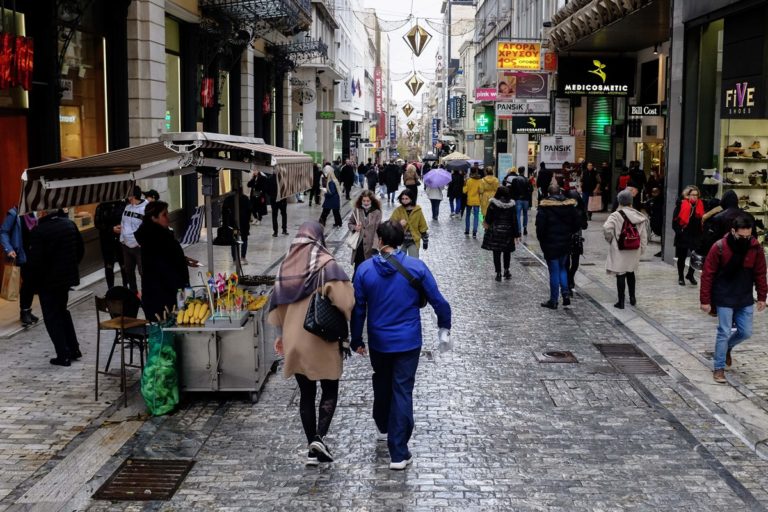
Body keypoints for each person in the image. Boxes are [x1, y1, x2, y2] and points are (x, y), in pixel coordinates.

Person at [350, 220, 451, 470]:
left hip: (379, 340)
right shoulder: (416, 267)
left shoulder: (364, 270)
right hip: (408, 341)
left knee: (382, 382)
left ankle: (383, 424)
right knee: (402, 390)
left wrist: (356, 339)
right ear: (400, 240)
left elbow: (358, 308)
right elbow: (439, 302)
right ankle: (399, 451)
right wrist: (444, 328)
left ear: (381, 241)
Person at [268, 222, 354, 465]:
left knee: (306, 394)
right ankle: (319, 437)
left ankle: (311, 448)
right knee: (329, 389)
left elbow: (276, 307)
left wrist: (280, 336)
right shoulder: (327, 265)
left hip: (295, 341)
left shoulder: (286, 267)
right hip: (321, 339)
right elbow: (346, 302)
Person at [700, 215, 766, 384]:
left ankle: (727, 348)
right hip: (723, 295)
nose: (745, 239)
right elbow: (708, 274)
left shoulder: (755, 247)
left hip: (744, 295)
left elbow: (760, 273)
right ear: (733, 231)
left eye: (748, 236)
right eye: (741, 236)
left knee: (745, 332)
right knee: (724, 331)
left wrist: (762, 297)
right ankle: (719, 368)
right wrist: (705, 300)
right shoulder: (720, 247)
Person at [27, 209, 84, 366]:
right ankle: (74, 348)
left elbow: (35, 261)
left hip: (48, 282)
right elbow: (80, 250)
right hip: (65, 280)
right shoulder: (69, 224)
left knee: (52, 317)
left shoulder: (40, 231)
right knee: (63, 312)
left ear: (44, 212)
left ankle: (63, 353)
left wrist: (32, 282)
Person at [134, 201, 190, 322]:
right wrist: (180, 287)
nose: (168, 218)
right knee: (165, 332)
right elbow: (162, 266)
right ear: (154, 218)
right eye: (164, 215)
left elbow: (167, 258)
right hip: (162, 295)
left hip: (164, 292)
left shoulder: (158, 234)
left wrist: (183, 260)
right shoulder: (154, 238)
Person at [536, 184, 581, 309]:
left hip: (550, 243)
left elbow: (540, 227)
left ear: (549, 194)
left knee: (554, 271)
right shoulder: (569, 206)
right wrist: (569, 232)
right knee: (562, 268)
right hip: (565, 241)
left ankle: (554, 300)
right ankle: (565, 294)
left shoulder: (544, 208)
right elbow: (577, 223)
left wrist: (542, 240)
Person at [603, 190, 648, 309]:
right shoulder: (639, 216)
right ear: (631, 201)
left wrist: (611, 240)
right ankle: (632, 298)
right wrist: (641, 249)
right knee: (631, 272)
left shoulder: (616, 215)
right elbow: (644, 235)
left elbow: (607, 228)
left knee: (620, 273)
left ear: (619, 201)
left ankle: (621, 301)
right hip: (634, 248)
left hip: (619, 248)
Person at [0, 207, 39, 325]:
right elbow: (3, 231)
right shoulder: (14, 214)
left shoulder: (36, 213)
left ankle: (27, 309)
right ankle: (24, 311)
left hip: (35, 253)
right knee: (28, 282)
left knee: (32, 283)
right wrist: (9, 249)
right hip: (22, 254)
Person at [481, 186, 520, 281]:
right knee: (507, 252)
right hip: (508, 231)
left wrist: (487, 226)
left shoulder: (493, 204)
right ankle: (506, 270)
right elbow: (514, 220)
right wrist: (517, 234)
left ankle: (498, 273)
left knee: (496, 252)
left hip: (496, 230)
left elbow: (488, 218)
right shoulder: (512, 205)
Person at [115, 186, 147, 292]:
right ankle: (134, 294)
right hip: (126, 245)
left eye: (128, 193)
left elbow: (147, 227)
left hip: (139, 247)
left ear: (133, 195)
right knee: (129, 271)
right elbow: (123, 223)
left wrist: (141, 242)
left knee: (143, 272)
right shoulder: (127, 207)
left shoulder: (145, 208)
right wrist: (122, 238)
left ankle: (145, 293)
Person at [673, 185, 704, 286]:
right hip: (683, 234)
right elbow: (675, 222)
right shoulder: (681, 205)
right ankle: (681, 277)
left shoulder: (700, 205)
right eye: (692, 195)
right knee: (681, 257)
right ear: (687, 195)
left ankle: (690, 274)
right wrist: (680, 232)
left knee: (696, 256)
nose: (695, 197)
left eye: (696, 195)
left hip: (696, 234)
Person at [94, 200, 127, 290]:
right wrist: (111, 229)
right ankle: (110, 289)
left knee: (124, 264)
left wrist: (123, 227)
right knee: (109, 265)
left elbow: (128, 220)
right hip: (107, 240)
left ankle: (126, 287)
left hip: (122, 239)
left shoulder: (122, 205)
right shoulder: (101, 207)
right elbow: (97, 223)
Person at [349, 190, 383, 273]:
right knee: (358, 267)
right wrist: (355, 227)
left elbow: (377, 230)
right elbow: (350, 223)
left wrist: (375, 246)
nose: (366, 203)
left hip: (371, 245)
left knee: (370, 268)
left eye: (368, 201)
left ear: (372, 201)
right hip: (359, 245)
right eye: (364, 201)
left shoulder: (377, 212)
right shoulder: (357, 210)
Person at [390, 188, 428, 258]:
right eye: (402, 198)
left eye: (406, 199)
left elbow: (422, 226)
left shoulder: (418, 211)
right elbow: (390, 223)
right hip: (401, 241)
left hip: (413, 240)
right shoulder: (398, 210)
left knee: (414, 260)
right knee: (399, 261)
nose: (404, 201)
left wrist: (425, 240)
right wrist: (399, 223)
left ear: (411, 199)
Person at [565, 189, 589, 293]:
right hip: (568, 238)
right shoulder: (564, 209)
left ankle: (570, 278)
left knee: (574, 263)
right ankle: (568, 281)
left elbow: (584, 226)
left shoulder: (580, 209)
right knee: (568, 262)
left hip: (575, 238)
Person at [222, 192, 252, 264]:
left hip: (235, 224)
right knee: (243, 239)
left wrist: (226, 223)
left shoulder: (228, 199)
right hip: (242, 223)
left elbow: (224, 212)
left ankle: (235, 259)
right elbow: (249, 210)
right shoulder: (244, 198)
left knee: (235, 239)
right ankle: (242, 257)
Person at [506, 166, 531, 236]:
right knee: (525, 214)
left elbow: (512, 190)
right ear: (524, 171)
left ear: (518, 171)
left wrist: (512, 198)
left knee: (518, 215)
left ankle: (519, 230)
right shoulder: (527, 179)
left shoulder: (515, 179)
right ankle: (525, 228)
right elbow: (530, 190)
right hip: (526, 199)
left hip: (518, 199)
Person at [265, 173, 288, 237]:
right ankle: (284, 230)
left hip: (274, 199)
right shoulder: (283, 178)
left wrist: (272, 195)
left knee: (274, 215)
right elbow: (287, 188)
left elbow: (266, 190)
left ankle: (275, 232)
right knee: (284, 214)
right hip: (282, 199)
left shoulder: (269, 178)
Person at [463, 168, 483, 238]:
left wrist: (464, 184)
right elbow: (481, 191)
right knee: (476, 216)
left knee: (468, 215)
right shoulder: (480, 181)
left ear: (471, 172)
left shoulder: (468, 181)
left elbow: (464, 191)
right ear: (476, 171)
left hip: (469, 201)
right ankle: (474, 232)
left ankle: (467, 230)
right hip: (477, 201)